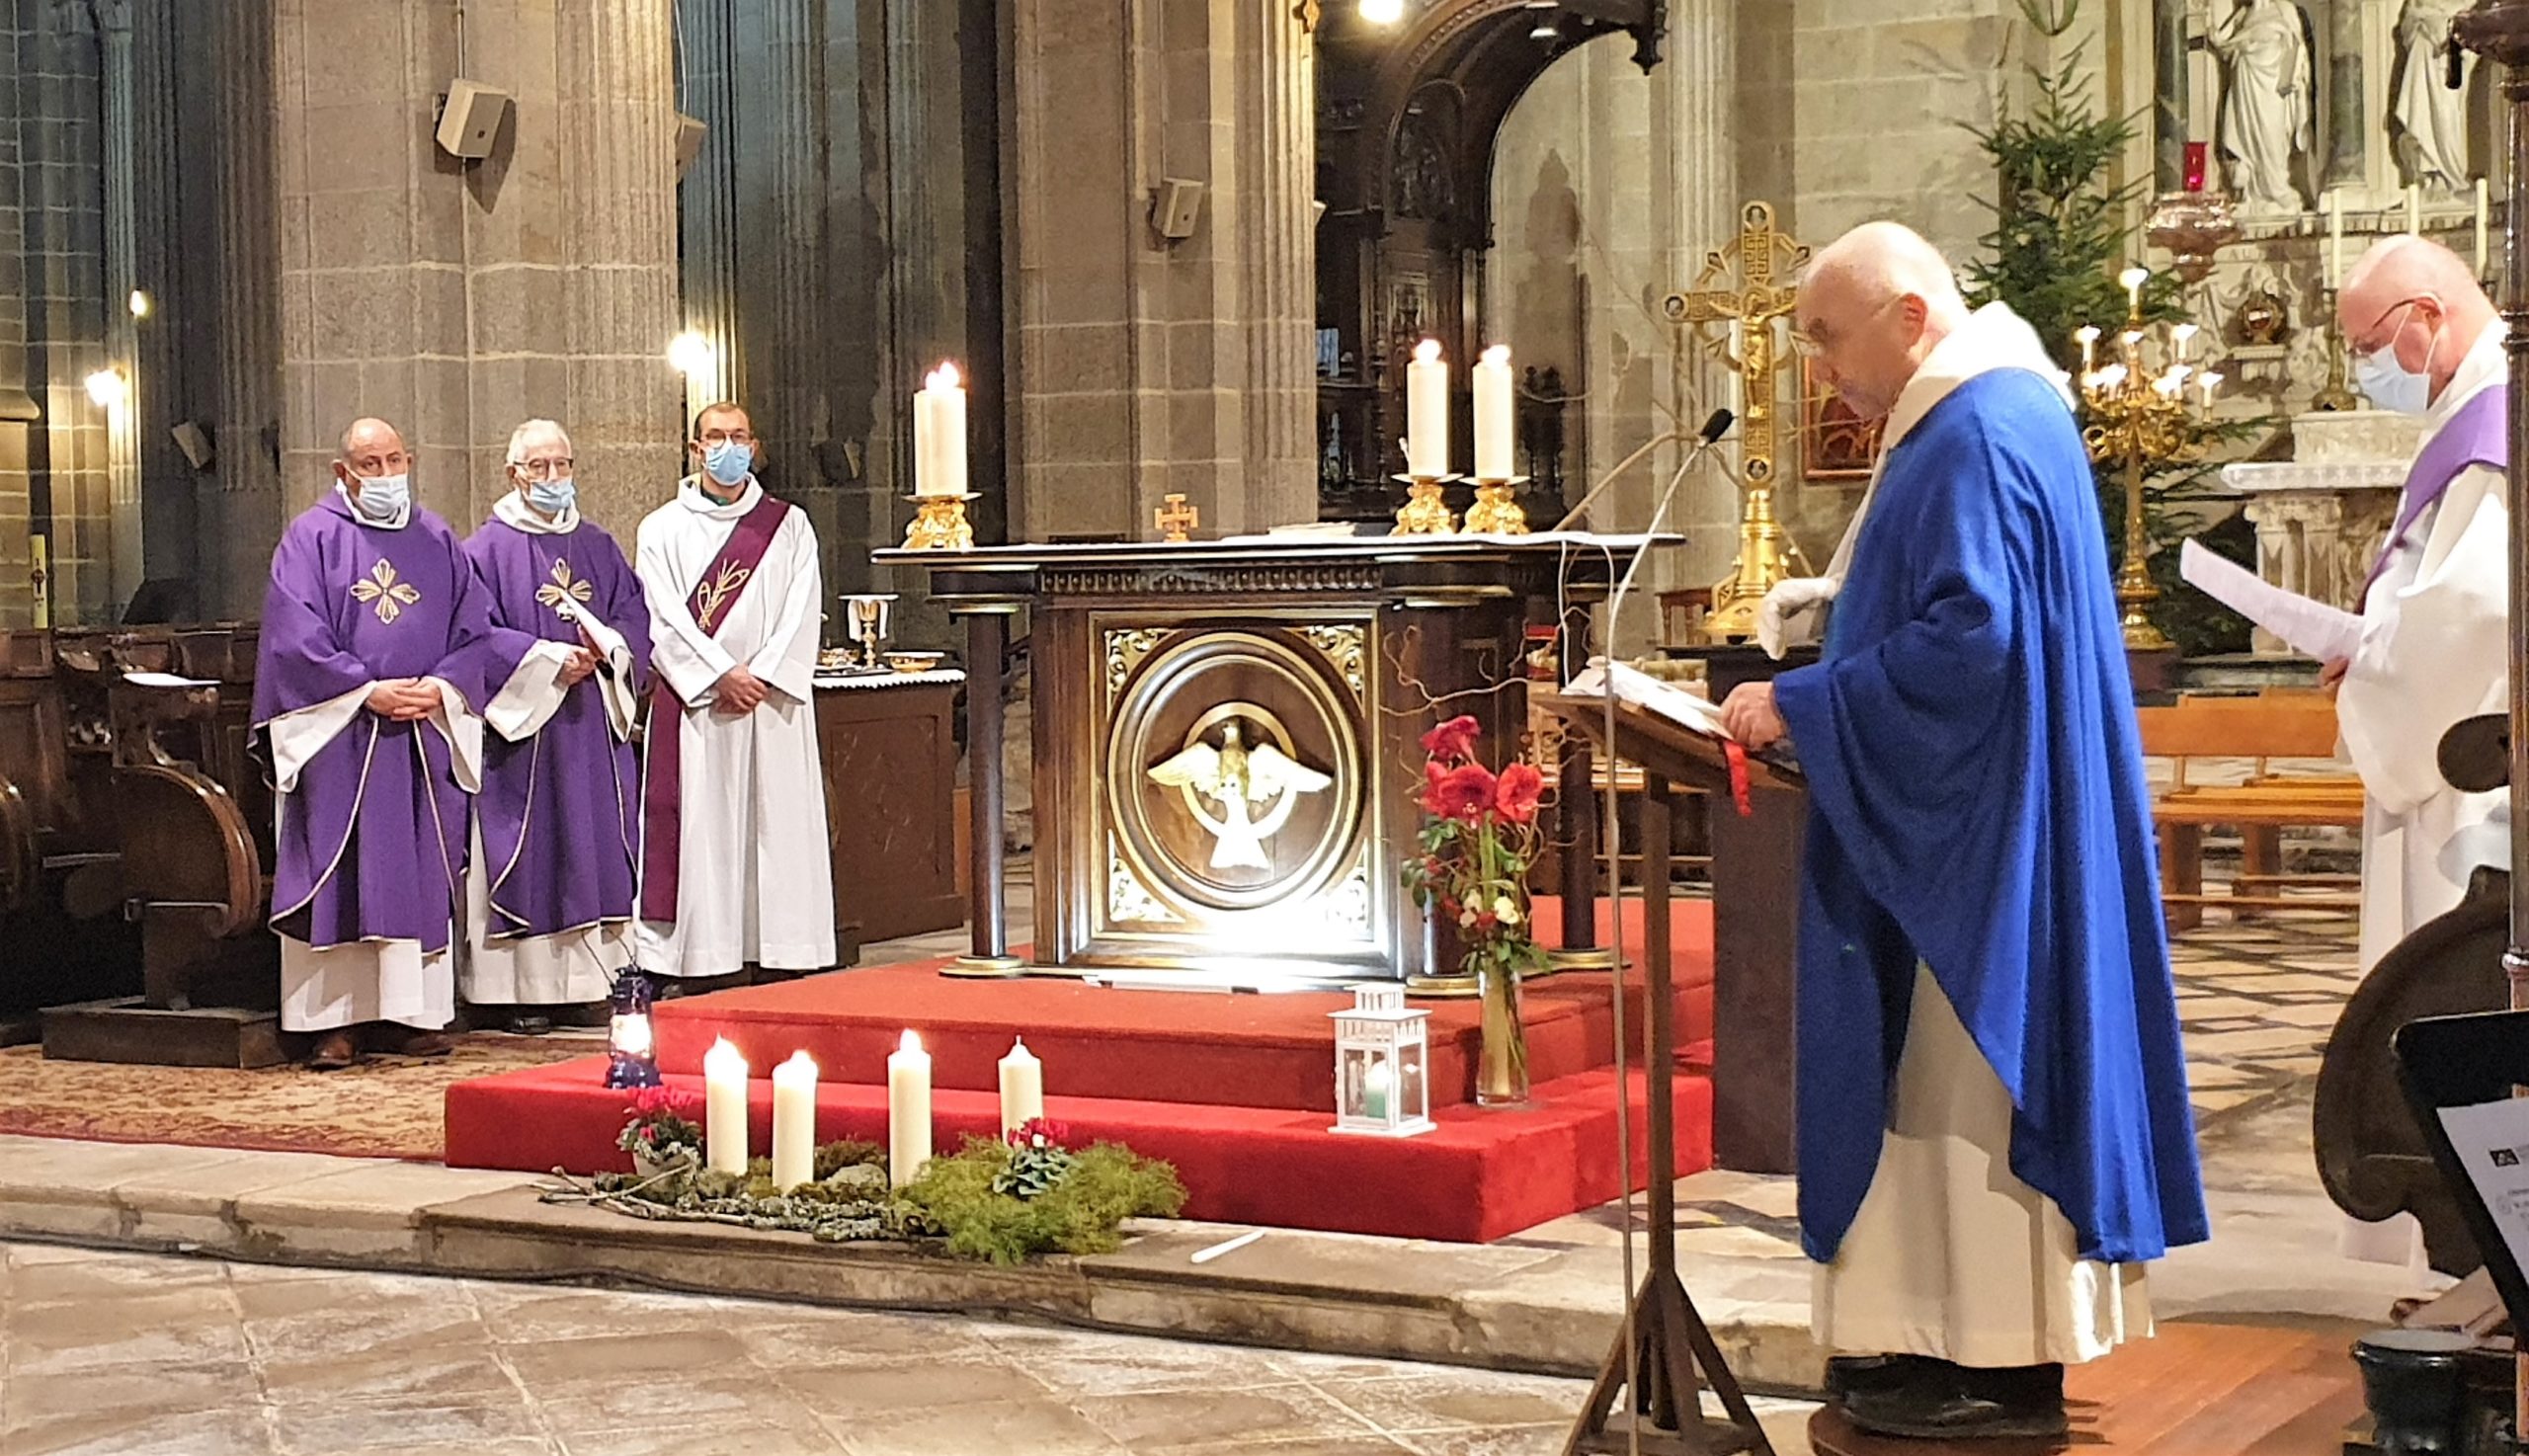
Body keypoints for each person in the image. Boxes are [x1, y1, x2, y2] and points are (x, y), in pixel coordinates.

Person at [1720, 224, 2208, 1440]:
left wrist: (1805, 703)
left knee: (1961, 1091)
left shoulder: (1974, 426)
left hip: (1972, 844)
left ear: (1908, 315)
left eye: (1829, 340)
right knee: (1936, 1093)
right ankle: (1932, 1340)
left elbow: (1971, 645)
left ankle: (1990, 1356)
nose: (1823, 372)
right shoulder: (1998, 411)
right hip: (1991, 818)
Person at [254, 418, 539, 1070]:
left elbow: (476, 629)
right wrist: (364, 690)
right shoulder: (310, 539)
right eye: (369, 464)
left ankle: (410, 1013)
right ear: (343, 472)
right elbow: (293, 637)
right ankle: (334, 1023)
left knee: (415, 867)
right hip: (341, 733)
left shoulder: (437, 538)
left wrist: (442, 686)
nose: (385, 475)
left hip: (421, 732)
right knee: (342, 870)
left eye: (394, 460)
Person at [2328, 236, 2508, 978]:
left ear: (2427, 313)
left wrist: (2372, 668)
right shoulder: (2474, 403)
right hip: (2467, 737)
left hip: (2476, 768)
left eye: (2369, 346)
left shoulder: (2496, 409)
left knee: (2454, 980)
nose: (2364, 369)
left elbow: (2477, 607)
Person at [458, 420, 651, 1033]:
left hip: (591, 722)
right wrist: (545, 662)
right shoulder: (483, 551)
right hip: (525, 737)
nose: (552, 478)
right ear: (512, 473)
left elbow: (633, 615)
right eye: (538, 467)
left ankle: (593, 983)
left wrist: (609, 649)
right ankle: (520, 993)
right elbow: (473, 635)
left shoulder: (598, 544)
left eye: (561, 465)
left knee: (594, 843)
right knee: (532, 849)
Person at [633, 402, 835, 989]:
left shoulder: (789, 525)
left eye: (739, 436)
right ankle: (706, 957)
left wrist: (762, 675)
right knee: (705, 831)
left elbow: (803, 608)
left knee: (777, 827)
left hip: (771, 707)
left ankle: (783, 948)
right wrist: (721, 674)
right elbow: (660, 616)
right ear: (696, 449)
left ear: (754, 445)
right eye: (716, 437)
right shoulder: (661, 528)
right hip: (701, 706)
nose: (729, 447)